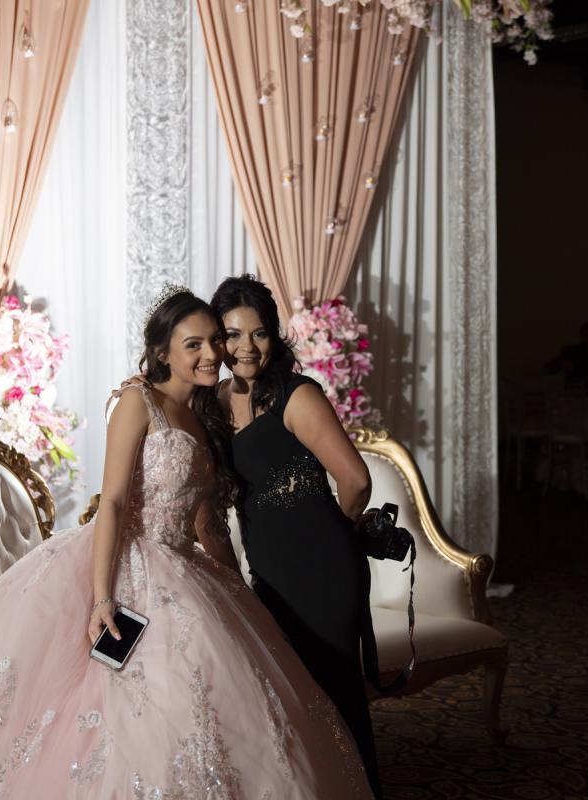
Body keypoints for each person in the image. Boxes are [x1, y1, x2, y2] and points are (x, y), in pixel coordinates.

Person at [0, 288, 373, 800]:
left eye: (215, 341)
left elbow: (208, 522)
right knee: (104, 703)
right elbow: (115, 502)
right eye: (194, 344)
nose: (213, 353)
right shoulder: (136, 401)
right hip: (127, 560)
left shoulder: (207, 415)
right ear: (162, 352)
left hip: (187, 567)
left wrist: (238, 592)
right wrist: (102, 596)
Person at [210, 275, 383, 798]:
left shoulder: (296, 394)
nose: (246, 347)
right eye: (233, 335)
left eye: (259, 333)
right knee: (292, 701)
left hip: (322, 574)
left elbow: (355, 481)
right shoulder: (215, 401)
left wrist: (336, 534)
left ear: (275, 336)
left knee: (336, 696)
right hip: (269, 576)